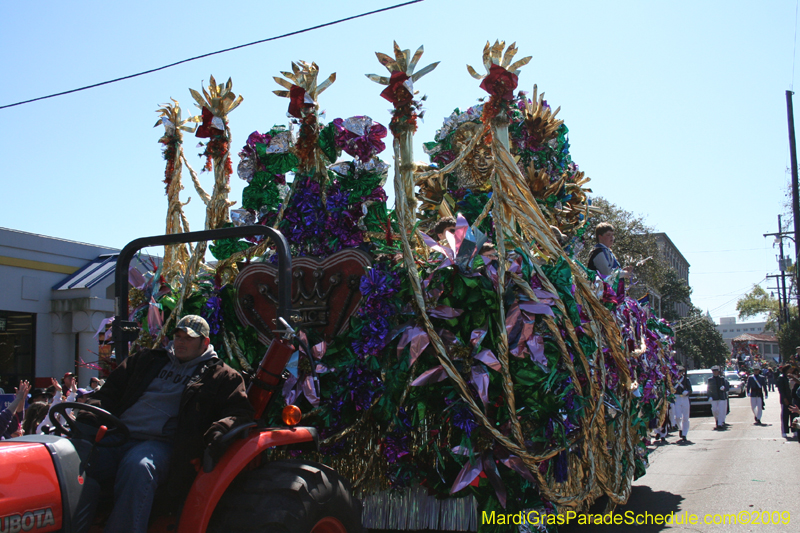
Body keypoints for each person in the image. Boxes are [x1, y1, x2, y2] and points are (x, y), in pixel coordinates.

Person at [78, 315, 254, 533]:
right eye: (178, 336)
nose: (180, 342)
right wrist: (89, 417)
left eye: (188, 338)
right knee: (74, 458)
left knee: (139, 467)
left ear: (205, 343)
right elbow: (108, 393)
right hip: (118, 434)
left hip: (162, 444)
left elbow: (239, 413)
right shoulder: (146, 360)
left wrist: (219, 431)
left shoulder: (222, 377)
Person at [673, 366, 692, 443]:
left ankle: (684, 434)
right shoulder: (673, 380)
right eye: (678, 372)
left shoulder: (686, 379)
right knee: (677, 417)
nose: (679, 373)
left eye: (680, 372)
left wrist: (687, 392)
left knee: (685, 417)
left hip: (684, 398)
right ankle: (680, 428)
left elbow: (690, 389)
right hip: (677, 397)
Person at [707, 365, 729, 430]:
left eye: (716, 371)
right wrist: (709, 396)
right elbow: (709, 389)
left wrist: (724, 388)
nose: (715, 372)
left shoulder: (722, 379)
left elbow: (727, 387)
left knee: (721, 410)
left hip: (721, 397)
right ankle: (717, 419)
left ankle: (719, 423)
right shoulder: (710, 380)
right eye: (714, 371)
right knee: (714, 410)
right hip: (714, 397)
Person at [777, 365, 794, 438]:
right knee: (785, 416)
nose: (791, 370)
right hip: (785, 399)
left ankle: (794, 430)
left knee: (793, 415)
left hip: (792, 399)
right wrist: (784, 399)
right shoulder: (781, 377)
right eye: (790, 369)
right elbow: (781, 390)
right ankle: (784, 431)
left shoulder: (790, 377)